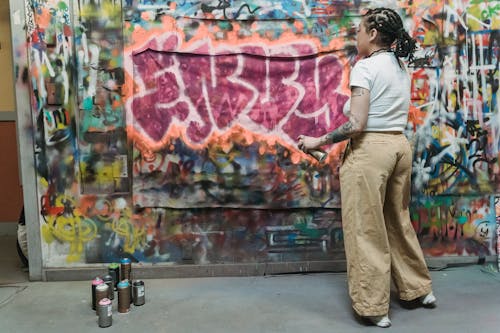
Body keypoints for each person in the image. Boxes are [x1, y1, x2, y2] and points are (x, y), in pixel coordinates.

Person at [297, 7, 436, 328]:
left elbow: (357, 124)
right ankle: (418, 289)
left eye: (359, 30)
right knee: (397, 221)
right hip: (399, 147)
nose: (356, 35)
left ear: (372, 34)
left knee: (365, 227)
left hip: (371, 151)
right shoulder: (400, 64)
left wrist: (319, 142)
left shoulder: (365, 67)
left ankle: (374, 307)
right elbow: (416, 65)